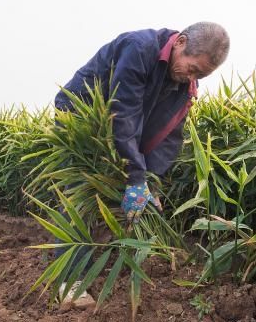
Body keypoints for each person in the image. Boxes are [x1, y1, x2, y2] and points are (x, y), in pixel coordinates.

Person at [53, 22, 230, 308]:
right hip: (82, 121)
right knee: (79, 193)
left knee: (118, 194)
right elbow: (122, 113)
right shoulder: (139, 49)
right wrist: (135, 177)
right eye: (193, 68)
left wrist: (150, 181)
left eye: (201, 75)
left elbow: (169, 136)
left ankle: (100, 256)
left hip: (122, 130)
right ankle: (70, 282)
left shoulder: (185, 87)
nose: (192, 77)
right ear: (181, 42)